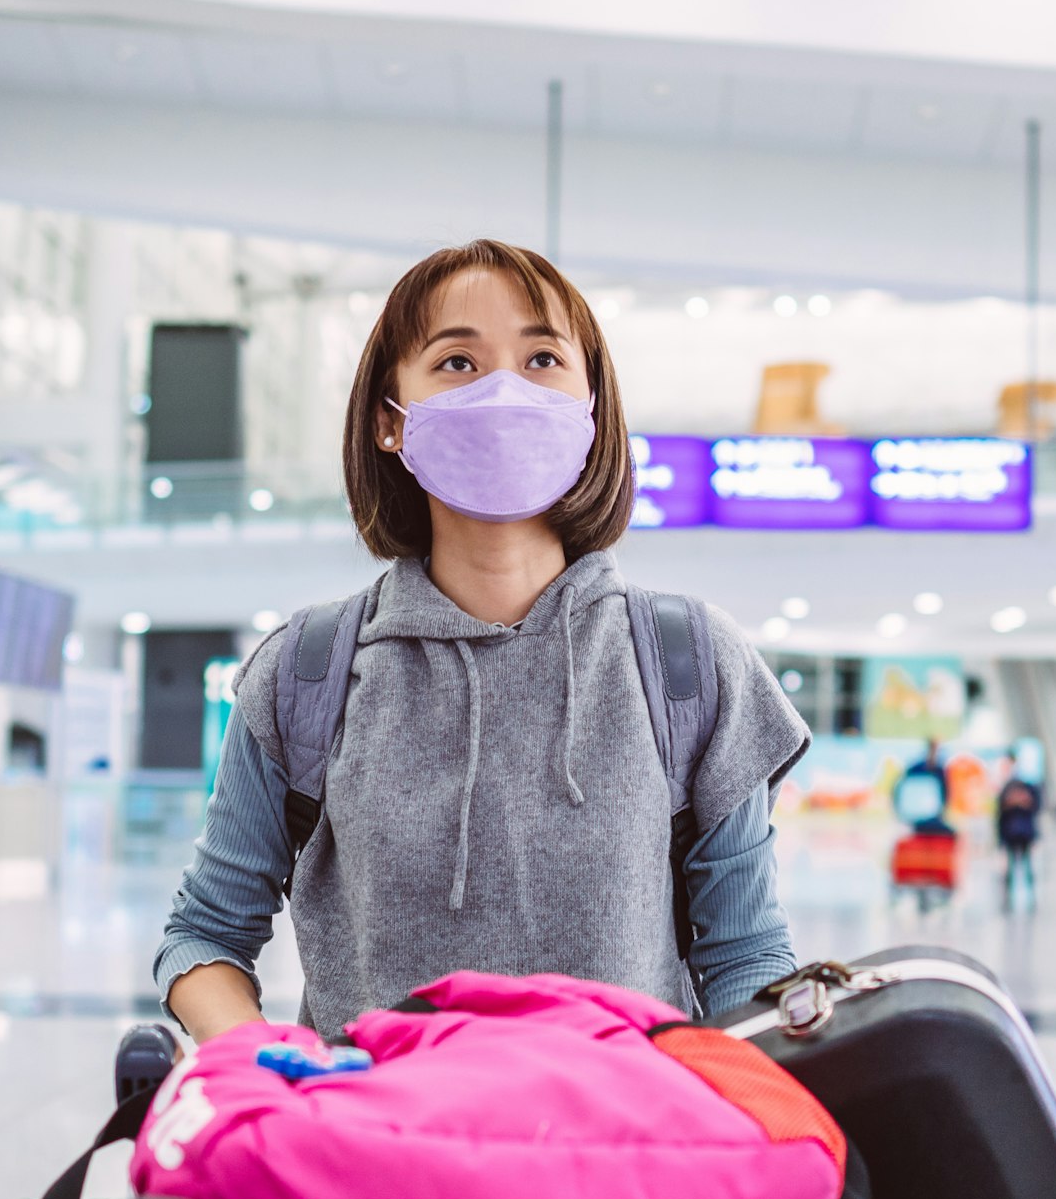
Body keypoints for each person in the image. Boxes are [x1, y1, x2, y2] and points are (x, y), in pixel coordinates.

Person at [155, 239, 810, 1044]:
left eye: (542, 358)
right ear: (391, 422)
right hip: (378, 1154)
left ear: (591, 409)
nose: (505, 390)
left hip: (613, 1154)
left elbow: (745, 952)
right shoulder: (306, 671)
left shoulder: (689, 664)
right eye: (458, 363)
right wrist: (268, 1065)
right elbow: (206, 934)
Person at [995, 768, 1043, 911]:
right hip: (1012, 835)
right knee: (1011, 869)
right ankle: (1008, 899)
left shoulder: (1027, 790)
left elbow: (1035, 808)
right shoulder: (1007, 791)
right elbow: (1000, 815)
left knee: (1026, 867)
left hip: (1023, 835)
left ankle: (1030, 899)